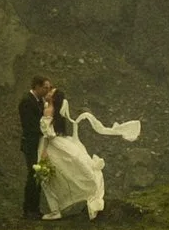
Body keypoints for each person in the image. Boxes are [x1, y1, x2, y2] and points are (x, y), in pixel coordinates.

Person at [38, 83, 141, 221]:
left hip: (51, 145)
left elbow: (48, 134)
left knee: (53, 178)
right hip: (57, 142)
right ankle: (59, 207)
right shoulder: (52, 109)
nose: (49, 92)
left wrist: (44, 151)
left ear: (54, 98)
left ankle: (56, 208)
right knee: (61, 174)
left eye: (52, 92)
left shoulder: (49, 110)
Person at [17, 76, 51, 220]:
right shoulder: (27, 101)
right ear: (37, 87)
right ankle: (28, 209)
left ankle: (34, 208)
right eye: (45, 87)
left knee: (37, 175)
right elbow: (29, 125)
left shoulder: (39, 102)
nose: (47, 90)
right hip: (31, 143)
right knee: (33, 173)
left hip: (37, 143)